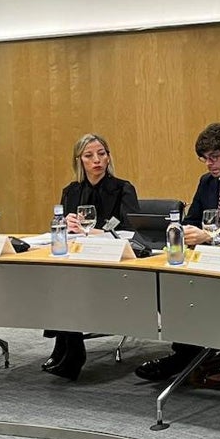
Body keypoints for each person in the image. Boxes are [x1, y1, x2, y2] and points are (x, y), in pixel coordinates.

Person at [134, 123, 220, 382]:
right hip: (208, 258)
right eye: (204, 159)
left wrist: (211, 236)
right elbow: (194, 217)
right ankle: (186, 351)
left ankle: (196, 354)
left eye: (214, 157)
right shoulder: (206, 182)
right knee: (177, 285)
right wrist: (187, 231)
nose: (209, 165)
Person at [43, 133, 140, 381]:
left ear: (108, 158)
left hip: (111, 264)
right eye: (89, 155)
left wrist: (92, 230)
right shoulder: (71, 191)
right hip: (77, 259)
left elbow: (131, 232)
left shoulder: (123, 189)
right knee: (56, 279)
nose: (97, 160)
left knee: (68, 284)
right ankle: (67, 345)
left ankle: (70, 349)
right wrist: (64, 223)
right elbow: (59, 230)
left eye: (102, 154)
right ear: (79, 161)